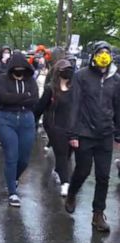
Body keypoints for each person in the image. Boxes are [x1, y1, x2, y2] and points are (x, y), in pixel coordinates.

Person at [65, 41, 120, 232]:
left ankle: (98, 214)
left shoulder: (115, 79)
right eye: (100, 52)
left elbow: (118, 106)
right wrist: (72, 133)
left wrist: (118, 132)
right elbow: (74, 105)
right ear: (94, 56)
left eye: (107, 52)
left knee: (103, 176)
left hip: (105, 134)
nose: (104, 56)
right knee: (83, 170)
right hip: (85, 133)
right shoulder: (82, 76)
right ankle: (72, 192)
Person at [0, 52, 39, 207]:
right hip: (6, 119)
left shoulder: (30, 81)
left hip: (27, 119)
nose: (19, 70)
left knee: (24, 158)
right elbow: (3, 98)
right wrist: (24, 96)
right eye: (16, 68)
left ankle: (13, 178)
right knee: (11, 155)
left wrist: (15, 97)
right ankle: (12, 192)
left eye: (22, 68)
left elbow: (35, 98)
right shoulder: (2, 79)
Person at [35, 59, 74, 197]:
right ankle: (65, 183)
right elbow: (39, 108)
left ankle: (59, 170)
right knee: (62, 153)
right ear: (58, 72)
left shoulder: (75, 88)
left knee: (68, 153)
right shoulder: (50, 89)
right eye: (65, 69)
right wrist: (32, 123)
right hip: (54, 125)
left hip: (71, 126)